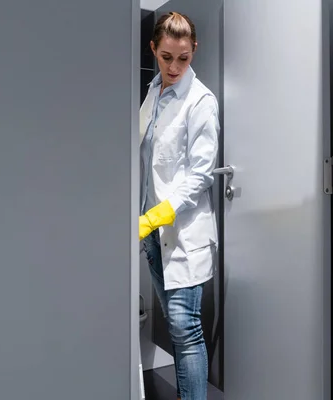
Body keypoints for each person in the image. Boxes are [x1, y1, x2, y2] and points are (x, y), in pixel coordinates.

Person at [138, 11, 219, 400]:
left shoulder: (201, 101)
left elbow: (200, 174)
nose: (174, 66)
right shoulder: (153, 91)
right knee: (175, 324)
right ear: (154, 49)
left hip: (182, 233)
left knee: (187, 330)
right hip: (153, 234)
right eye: (166, 56)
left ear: (194, 51)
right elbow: (145, 157)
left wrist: (158, 214)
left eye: (183, 58)